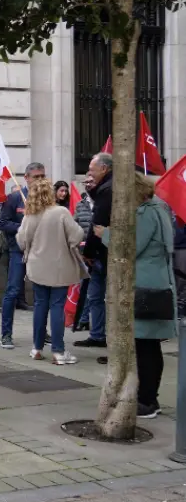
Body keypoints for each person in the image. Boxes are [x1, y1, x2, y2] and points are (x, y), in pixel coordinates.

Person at [97, 174, 177, 418]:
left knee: (145, 347)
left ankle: (147, 401)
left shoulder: (144, 213)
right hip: (156, 285)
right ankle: (150, 399)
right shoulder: (159, 209)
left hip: (145, 287)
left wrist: (106, 235)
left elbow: (131, 246)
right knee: (149, 346)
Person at [14, 178, 85, 365]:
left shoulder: (30, 215)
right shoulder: (61, 212)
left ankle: (36, 348)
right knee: (57, 307)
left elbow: (21, 241)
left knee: (40, 305)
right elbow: (77, 235)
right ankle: (58, 351)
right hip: (59, 267)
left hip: (37, 267)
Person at [0, 162, 47, 349]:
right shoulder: (14, 198)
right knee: (12, 291)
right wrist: (23, 228)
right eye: (36, 177)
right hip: (18, 251)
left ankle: (42, 332)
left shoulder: (46, 199)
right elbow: (3, 223)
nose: (40, 180)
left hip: (41, 251)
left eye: (42, 176)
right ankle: (6, 334)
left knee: (42, 294)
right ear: (26, 178)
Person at [76, 153, 112, 348]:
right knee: (94, 296)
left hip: (104, 253)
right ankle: (97, 334)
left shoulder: (107, 190)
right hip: (98, 254)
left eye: (92, 170)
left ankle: (108, 337)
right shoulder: (102, 189)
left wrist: (88, 252)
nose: (89, 175)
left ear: (104, 169)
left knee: (107, 296)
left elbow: (97, 224)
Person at [73, 175, 96, 331]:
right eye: (85, 182)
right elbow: (75, 228)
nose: (88, 185)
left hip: (101, 253)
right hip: (84, 254)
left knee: (98, 291)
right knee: (85, 288)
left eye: (91, 182)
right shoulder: (80, 206)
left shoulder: (104, 202)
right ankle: (83, 319)